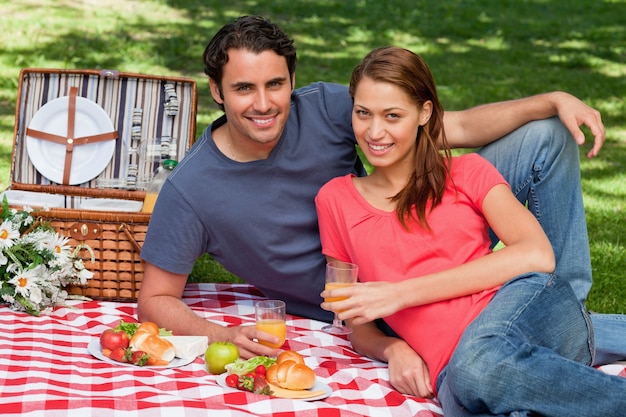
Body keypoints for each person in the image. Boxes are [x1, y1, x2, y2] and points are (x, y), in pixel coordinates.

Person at [137, 15, 617, 385]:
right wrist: (223, 336)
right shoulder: (191, 190)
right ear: (216, 91)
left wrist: (552, 99)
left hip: (411, 232)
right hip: (368, 301)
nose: (263, 104)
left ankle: (564, 309)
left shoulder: (324, 107)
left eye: (275, 84)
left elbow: (459, 129)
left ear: (291, 81)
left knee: (546, 136)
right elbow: (155, 299)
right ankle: (570, 334)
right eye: (244, 88)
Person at [315, 45, 626, 416]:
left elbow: (536, 255)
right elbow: (354, 318)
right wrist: (392, 348)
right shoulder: (334, 200)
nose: (374, 131)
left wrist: (400, 295)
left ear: (424, 113)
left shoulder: (465, 173)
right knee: (481, 390)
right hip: (450, 373)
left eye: (392, 115)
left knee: (477, 367)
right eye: (363, 113)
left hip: (518, 311)